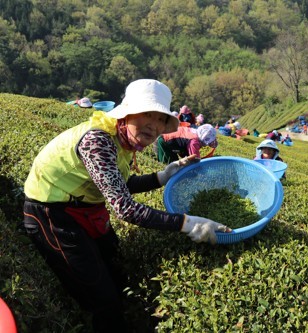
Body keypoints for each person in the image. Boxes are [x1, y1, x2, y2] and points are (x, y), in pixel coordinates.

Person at [22, 79, 230, 332]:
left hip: (85, 206)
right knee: (102, 298)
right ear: (126, 114)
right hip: (52, 215)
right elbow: (126, 208)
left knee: (116, 264)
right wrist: (187, 223)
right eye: (146, 115)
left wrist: (161, 176)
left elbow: (119, 183)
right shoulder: (97, 141)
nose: (154, 127)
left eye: (161, 120)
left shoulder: (122, 140)